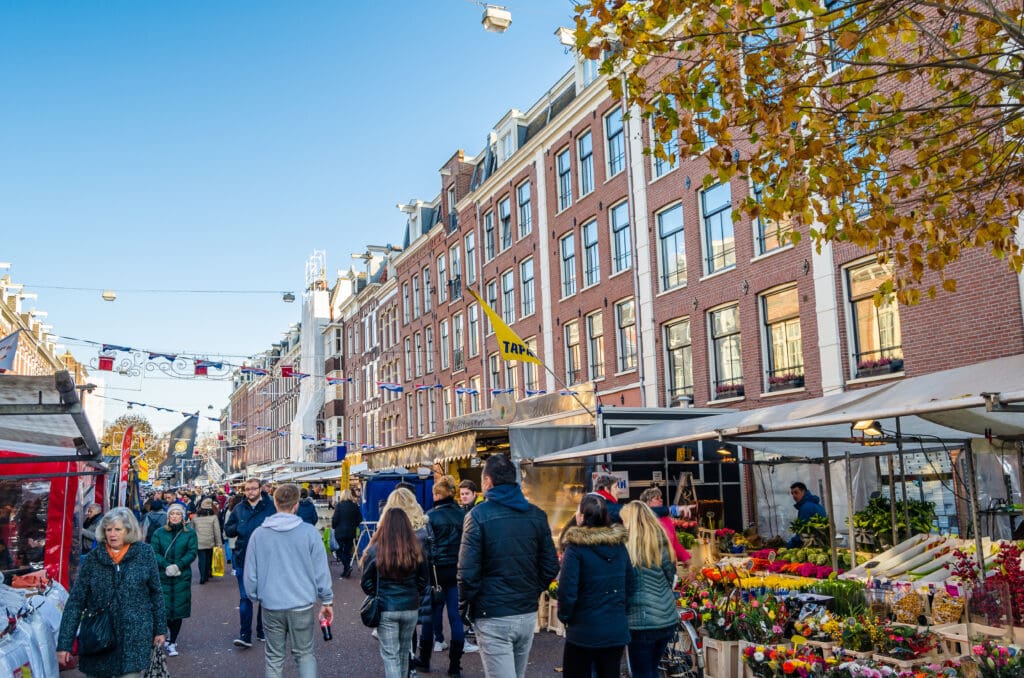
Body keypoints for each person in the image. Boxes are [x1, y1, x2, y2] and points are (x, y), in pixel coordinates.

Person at [458, 454, 560, 678]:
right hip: (525, 612)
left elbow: (466, 573)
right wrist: (533, 589)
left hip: (492, 613)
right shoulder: (536, 515)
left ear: (487, 482)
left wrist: (465, 606)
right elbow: (551, 565)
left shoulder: (477, 516)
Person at [56, 507, 167, 677]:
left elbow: (156, 593)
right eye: (108, 529)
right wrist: (65, 644)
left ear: (128, 530)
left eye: (117, 529)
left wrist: (160, 629)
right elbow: (76, 602)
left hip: (134, 634)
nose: (112, 534)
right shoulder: (93, 559)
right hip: (99, 636)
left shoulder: (145, 554)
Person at [245, 483, 334, 678]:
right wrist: (326, 600)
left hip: (271, 604)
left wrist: (255, 595)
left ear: (275, 502)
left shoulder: (259, 534)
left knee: (274, 657)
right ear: (296, 506)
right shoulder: (309, 533)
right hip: (301, 604)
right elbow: (321, 571)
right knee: (304, 655)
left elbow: (250, 574)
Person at [557, 494, 633, 678]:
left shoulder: (575, 548)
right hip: (615, 628)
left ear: (582, 517)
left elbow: (567, 589)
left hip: (583, 630)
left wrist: (565, 616)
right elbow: (630, 584)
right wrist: (620, 610)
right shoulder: (619, 546)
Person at [361, 505, 429, 678]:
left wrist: (376, 593)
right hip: (411, 606)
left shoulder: (376, 549)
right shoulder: (416, 548)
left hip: (386, 606)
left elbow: (366, 582)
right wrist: (414, 592)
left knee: (390, 656)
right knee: (404, 652)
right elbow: (423, 580)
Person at [419, 476, 477, 677]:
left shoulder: (430, 517)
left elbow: (426, 547)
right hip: (457, 571)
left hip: (435, 573)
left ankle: (424, 661)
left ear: (436, 495)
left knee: (429, 616)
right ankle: (454, 666)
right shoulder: (464, 516)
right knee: (455, 617)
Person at [620, 501, 679, 678]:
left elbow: (625, 586)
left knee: (642, 672)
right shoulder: (662, 542)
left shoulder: (625, 548)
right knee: (652, 668)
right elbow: (671, 577)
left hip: (640, 621)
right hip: (667, 618)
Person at [382, 488, 434, 674]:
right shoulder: (423, 529)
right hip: (415, 591)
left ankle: (408, 668)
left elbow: (372, 568)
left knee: (392, 652)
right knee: (408, 638)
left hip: (390, 596)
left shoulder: (386, 531)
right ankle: (412, 666)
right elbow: (428, 562)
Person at [224, 477, 276, 647]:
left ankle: (262, 630)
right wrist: (238, 528)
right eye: (247, 489)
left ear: (260, 489)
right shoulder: (239, 508)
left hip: (266, 558)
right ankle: (245, 635)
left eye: (253, 488)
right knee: (245, 597)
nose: (250, 492)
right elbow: (229, 530)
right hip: (243, 557)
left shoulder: (271, 507)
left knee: (264, 597)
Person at [151, 503, 198, 657]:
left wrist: (178, 565)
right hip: (162, 576)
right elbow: (154, 551)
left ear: (182, 516)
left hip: (181, 576)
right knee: (162, 609)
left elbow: (192, 552)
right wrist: (166, 566)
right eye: (172, 514)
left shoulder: (189, 533)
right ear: (168, 516)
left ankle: (173, 641)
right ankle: (162, 636)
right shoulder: (159, 533)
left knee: (178, 610)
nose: (175, 516)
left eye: (178, 514)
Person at [639, 487, 690, 565]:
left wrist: (685, 558)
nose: (661, 500)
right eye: (657, 498)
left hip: (669, 565)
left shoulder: (666, 519)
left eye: (661, 498)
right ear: (647, 503)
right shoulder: (643, 520)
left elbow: (675, 543)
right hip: (652, 566)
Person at [331, 489, 363, 578]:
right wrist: (354, 525)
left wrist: (333, 526)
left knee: (339, 551)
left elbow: (335, 519)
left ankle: (347, 567)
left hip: (340, 532)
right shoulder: (355, 506)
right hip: (350, 532)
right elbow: (359, 519)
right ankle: (346, 570)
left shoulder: (339, 505)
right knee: (347, 552)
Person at [192, 497, 223, 584]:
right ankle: (208, 573)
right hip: (210, 541)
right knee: (209, 558)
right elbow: (217, 531)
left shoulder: (195, 517)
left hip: (199, 542)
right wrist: (219, 543)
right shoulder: (213, 517)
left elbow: (192, 530)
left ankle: (202, 576)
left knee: (201, 559)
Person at [788, 481, 827, 547]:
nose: (794, 496)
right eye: (792, 493)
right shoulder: (816, 504)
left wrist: (789, 546)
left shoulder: (806, 508)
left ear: (803, 492)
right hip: (823, 543)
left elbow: (803, 532)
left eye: (796, 492)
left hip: (814, 546)